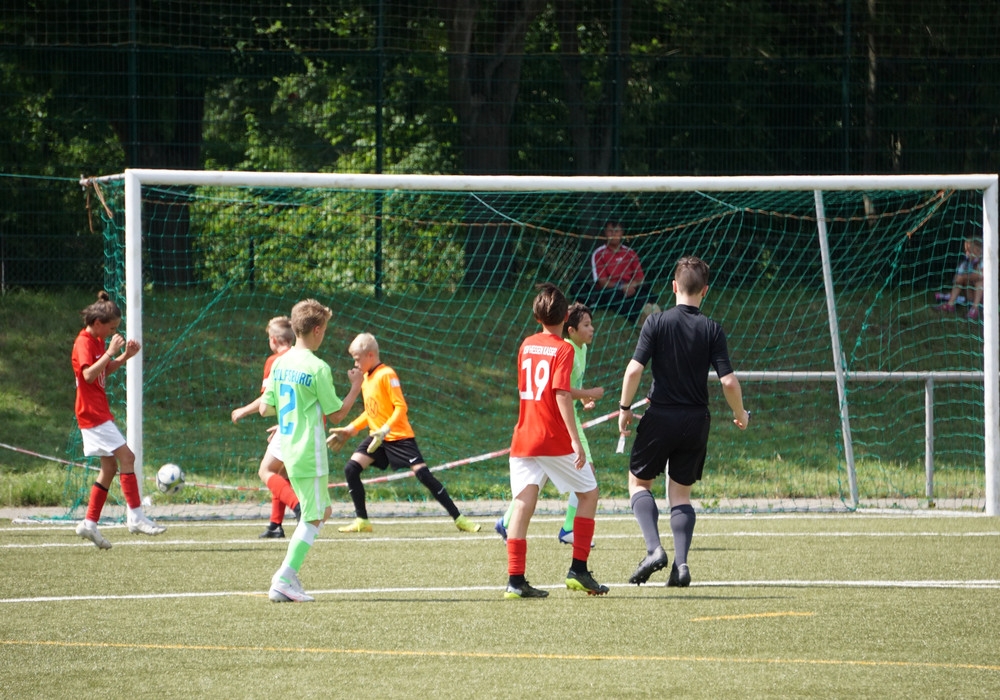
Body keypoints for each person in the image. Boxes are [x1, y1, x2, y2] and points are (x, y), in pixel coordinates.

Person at [617, 256, 750, 587]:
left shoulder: (656, 322)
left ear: (674, 286)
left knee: (639, 484)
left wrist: (624, 408)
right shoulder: (712, 329)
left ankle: (653, 550)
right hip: (695, 420)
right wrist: (740, 414)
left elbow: (634, 370)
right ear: (705, 291)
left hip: (660, 416)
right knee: (680, 495)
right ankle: (681, 566)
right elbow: (728, 381)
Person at [503, 283, 608, 599]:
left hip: (524, 436)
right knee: (589, 493)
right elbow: (561, 393)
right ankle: (578, 569)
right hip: (550, 437)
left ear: (537, 317)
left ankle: (515, 581)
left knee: (523, 504)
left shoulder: (526, 345)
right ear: (565, 318)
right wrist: (575, 440)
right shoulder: (564, 349)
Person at [259, 298, 362, 602]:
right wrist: (355, 386)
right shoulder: (318, 368)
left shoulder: (280, 362)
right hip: (308, 451)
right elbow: (337, 414)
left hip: (288, 449)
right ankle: (284, 578)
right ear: (317, 330)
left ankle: (287, 577)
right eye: (325, 330)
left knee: (323, 511)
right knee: (314, 516)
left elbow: (266, 408)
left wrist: (289, 415)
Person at [327, 333, 481, 534]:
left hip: (399, 437)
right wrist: (351, 429)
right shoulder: (366, 378)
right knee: (351, 469)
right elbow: (371, 412)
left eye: (357, 359)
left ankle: (459, 519)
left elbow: (401, 407)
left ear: (370, 355)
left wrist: (386, 428)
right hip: (377, 439)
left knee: (423, 475)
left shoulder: (387, 374)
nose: (355, 364)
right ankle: (362, 520)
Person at [495, 302, 604, 546]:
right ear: (570, 329)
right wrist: (588, 393)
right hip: (557, 420)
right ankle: (570, 530)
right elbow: (560, 390)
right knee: (586, 476)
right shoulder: (564, 349)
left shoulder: (581, 348)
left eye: (591, 324)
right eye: (586, 325)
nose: (592, 329)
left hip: (560, 418)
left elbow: (568, 388)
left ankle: (507, 522)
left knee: (538, 477)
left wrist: (582, 398)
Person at [72, 291, 166, 549]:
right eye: (112, 328)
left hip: (97, 411)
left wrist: (123, 357)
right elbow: (88, 376)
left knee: (110, 468)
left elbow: (103, 371)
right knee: (128, 458)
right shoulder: (83, 342)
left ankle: (90, 523)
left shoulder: (97, 340)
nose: (114, 332)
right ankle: (135, 516)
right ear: (97, 323)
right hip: (92, 413)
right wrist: (111, 352)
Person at [231, 316, 301, 538]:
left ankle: (299, 508)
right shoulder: (302, 357)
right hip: (302, 422)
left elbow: (267, 400)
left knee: (266, 470)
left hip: (289, 424)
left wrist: (243, 410)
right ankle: (275, 525)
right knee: (281, 472)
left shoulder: (275, 361)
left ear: (274, 339)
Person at [579, 220, 660, 326]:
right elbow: (603, 282)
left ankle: (651, 312)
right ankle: (638, 318)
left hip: (631, 288)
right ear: (605, 233)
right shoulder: (599, 254)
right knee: (616, 298)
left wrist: (631, 285)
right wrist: (622, 286)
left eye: (616, 231)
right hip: (613, 289)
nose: (613, 234)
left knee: (644, 291)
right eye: (610, 231)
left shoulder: (630, 253)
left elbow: (640, 278)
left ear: (622, 233)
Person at [935, 236, 983, 320]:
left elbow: (981, 275)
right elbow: (957, 277)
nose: (967, 253)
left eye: (969, 251)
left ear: (979, 251)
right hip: (970, 295)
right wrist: (959, 277)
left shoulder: (985, 261)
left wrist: (964, 277)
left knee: (980, 281)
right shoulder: (966, 263)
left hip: (985, 298)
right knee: (961, 280)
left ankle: (974, 309)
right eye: (966, 251)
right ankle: (950, 304)